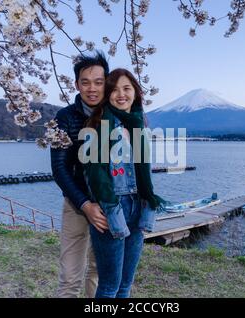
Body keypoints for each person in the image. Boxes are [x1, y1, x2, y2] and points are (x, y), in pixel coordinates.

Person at [83, 68, 165, 298]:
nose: (121, 94)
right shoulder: (98, 126)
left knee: (126, 283)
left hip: (138, 206)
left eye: (127, 88)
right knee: (110, 285)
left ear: (136, 93)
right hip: (111, 208)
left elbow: (146, 173)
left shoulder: (139, 126)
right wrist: (112, 212)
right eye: (115, 89)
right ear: (107, 94)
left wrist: (149, 207)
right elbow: (94, 176)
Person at [51, 52, 110, 298]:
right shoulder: (64, 117)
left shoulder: (115, 114)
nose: (92, 88)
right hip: (76, 204)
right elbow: (59, 168)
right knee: (70, 278)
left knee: (98, 273)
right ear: (76, 85)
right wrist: (85, 204)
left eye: (98, 81)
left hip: (108, 207)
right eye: (85, 82)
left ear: (107, 82)